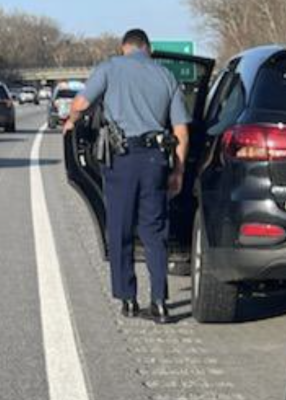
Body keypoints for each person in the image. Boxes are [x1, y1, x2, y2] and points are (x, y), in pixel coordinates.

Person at [63, 28, 191, 324]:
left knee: (119, 228)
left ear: (124, 47)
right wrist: (179, 170)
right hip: (155, 160)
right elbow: (181, 131)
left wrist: (71, 122)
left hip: (121, 159)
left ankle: (129, 299)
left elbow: (81, 104)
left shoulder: (110, 68)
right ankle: (159, 303)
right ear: (148, 48)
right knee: (154, 231)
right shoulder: (166, 76)